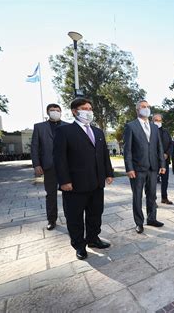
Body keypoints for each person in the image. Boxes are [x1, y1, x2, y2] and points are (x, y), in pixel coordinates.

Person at [53, 98, 114, 260]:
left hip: (96, 183)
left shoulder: (98, 132)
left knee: (95, 214)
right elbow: (59, 159)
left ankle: (93, 239)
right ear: (74, 111)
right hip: (75, 185)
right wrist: (64, 181)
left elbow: (104, 155)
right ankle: (79, 245)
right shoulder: (64, 131)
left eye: (90, 108)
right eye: (84, 108)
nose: (88, 111)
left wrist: (109, 173)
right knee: (75, 217)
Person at [123, 100, 166, 234]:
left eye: (148, 107)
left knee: (152, 195)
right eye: (143, 107)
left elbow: (159, 146)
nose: (146, 109)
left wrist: (162, 164)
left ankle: (152, 218)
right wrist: (129, 168)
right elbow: (127, 149)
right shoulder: (130, 126)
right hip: (137, 168)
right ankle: (139, 222)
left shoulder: (154, 127)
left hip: (153, 167)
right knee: (137, 196)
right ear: (137, 109)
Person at [31, 103, 68, 231]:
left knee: (68, 193)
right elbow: (34, 147)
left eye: (57, 110)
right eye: (52, 110)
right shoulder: (39, 127)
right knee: (51, 194)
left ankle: (70, 218)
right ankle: (51, 220)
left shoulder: (68, 126)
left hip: (66, 166)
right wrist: (36, 164)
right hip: (49, 166)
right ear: (48, 112)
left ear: (61, 112)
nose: (55, 112)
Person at [153, 114, 174, 205]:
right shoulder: (150, 131)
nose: (158, 122)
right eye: (156, 120)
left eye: (160, 120)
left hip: (165, 160)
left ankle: (164, 198)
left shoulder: (166, 131)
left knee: (165, 180)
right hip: (154, 161)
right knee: (152, 182)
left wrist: (167, 154)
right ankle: (152, 200)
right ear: (152, 121)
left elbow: (171, 144)